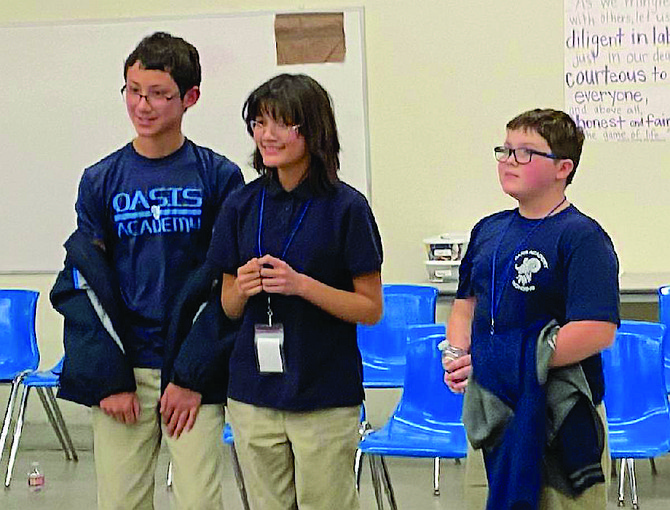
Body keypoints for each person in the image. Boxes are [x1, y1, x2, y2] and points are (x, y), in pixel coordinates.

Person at [51, 32, 243, 510]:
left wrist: (192, 374)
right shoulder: (100, 180)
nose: (144, 105)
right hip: (124, 372)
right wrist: (109, 378)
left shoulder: (219, 177)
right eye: (134, 90)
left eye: (159, 93)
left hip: (191, 370)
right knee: (120, 501)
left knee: (200, 500)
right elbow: (86, 284)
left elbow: (227, 284)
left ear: (190, 98)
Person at [207, 73, 383, 510]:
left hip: (323, 392)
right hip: (253, 391)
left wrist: (301, 285)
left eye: (282, 124)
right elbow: (227, 306)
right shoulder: (241, 205)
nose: (267, 135)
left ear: (313, 130)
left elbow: (369, 307)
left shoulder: (347, 207)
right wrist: (244, 288)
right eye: (259, 123)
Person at [443, 109, 620, 509]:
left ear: (563, 167)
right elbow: (465, 305)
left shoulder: (582, 237)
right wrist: (457, 354)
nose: (508, 160)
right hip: (492, 412)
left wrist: (496, 360)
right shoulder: (488, 230)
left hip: (558, 419)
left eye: (525, 152)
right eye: (505, 150)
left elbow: (596, 330)